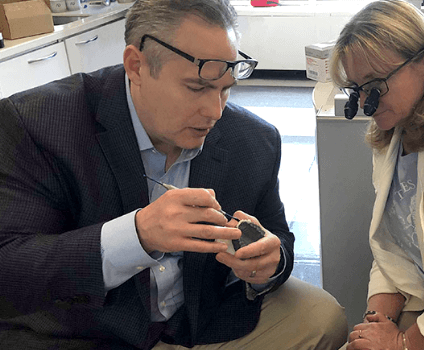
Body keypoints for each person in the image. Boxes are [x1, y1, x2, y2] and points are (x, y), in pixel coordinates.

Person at [0, 0, 348, 349]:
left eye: (226, 88)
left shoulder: (253, 140)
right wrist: (137, 236)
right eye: (197, 88)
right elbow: (10, 267)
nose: (215, 112)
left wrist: (268, 264)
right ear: (136, 66)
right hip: (86, 331)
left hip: (201, 322)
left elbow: (278, 237)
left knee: (320, 317)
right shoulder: (39, 124)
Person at [329, 0, 424, 349]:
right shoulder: (393, 133)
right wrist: (376, 325)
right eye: (356, 88)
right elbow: (393, 246)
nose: (366, 103)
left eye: (376, 85)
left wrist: (402, 344)